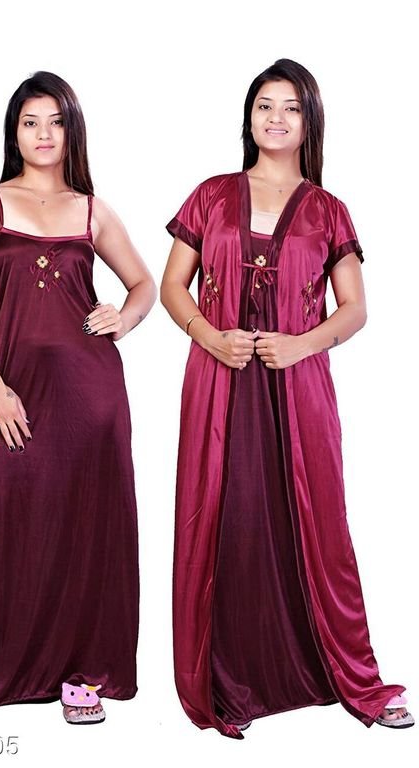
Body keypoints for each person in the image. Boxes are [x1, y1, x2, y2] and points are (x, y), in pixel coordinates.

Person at [161, 58, 413, 738]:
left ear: (310, 122)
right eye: (264, 105)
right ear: (248, 118)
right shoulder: (211, 195)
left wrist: (302, 345)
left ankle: (348, 674)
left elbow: (355, 309)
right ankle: (225, 681)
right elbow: (173, 286)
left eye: (291, 108)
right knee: (227, 520)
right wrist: (210, 337)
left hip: (300, 391)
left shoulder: (328, 210)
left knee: (317, 522)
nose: (276, 118)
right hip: (218, 383)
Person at [0, 71, 156, 732]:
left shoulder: (91, 210)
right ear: (13, 132)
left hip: (92, 399)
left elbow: (144, 285)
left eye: (56, 121)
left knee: (86, 533)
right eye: (30, 122)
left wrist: (124, 317)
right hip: (12, 393)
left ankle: (82, 675)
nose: (44, 134)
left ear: (72, 131)